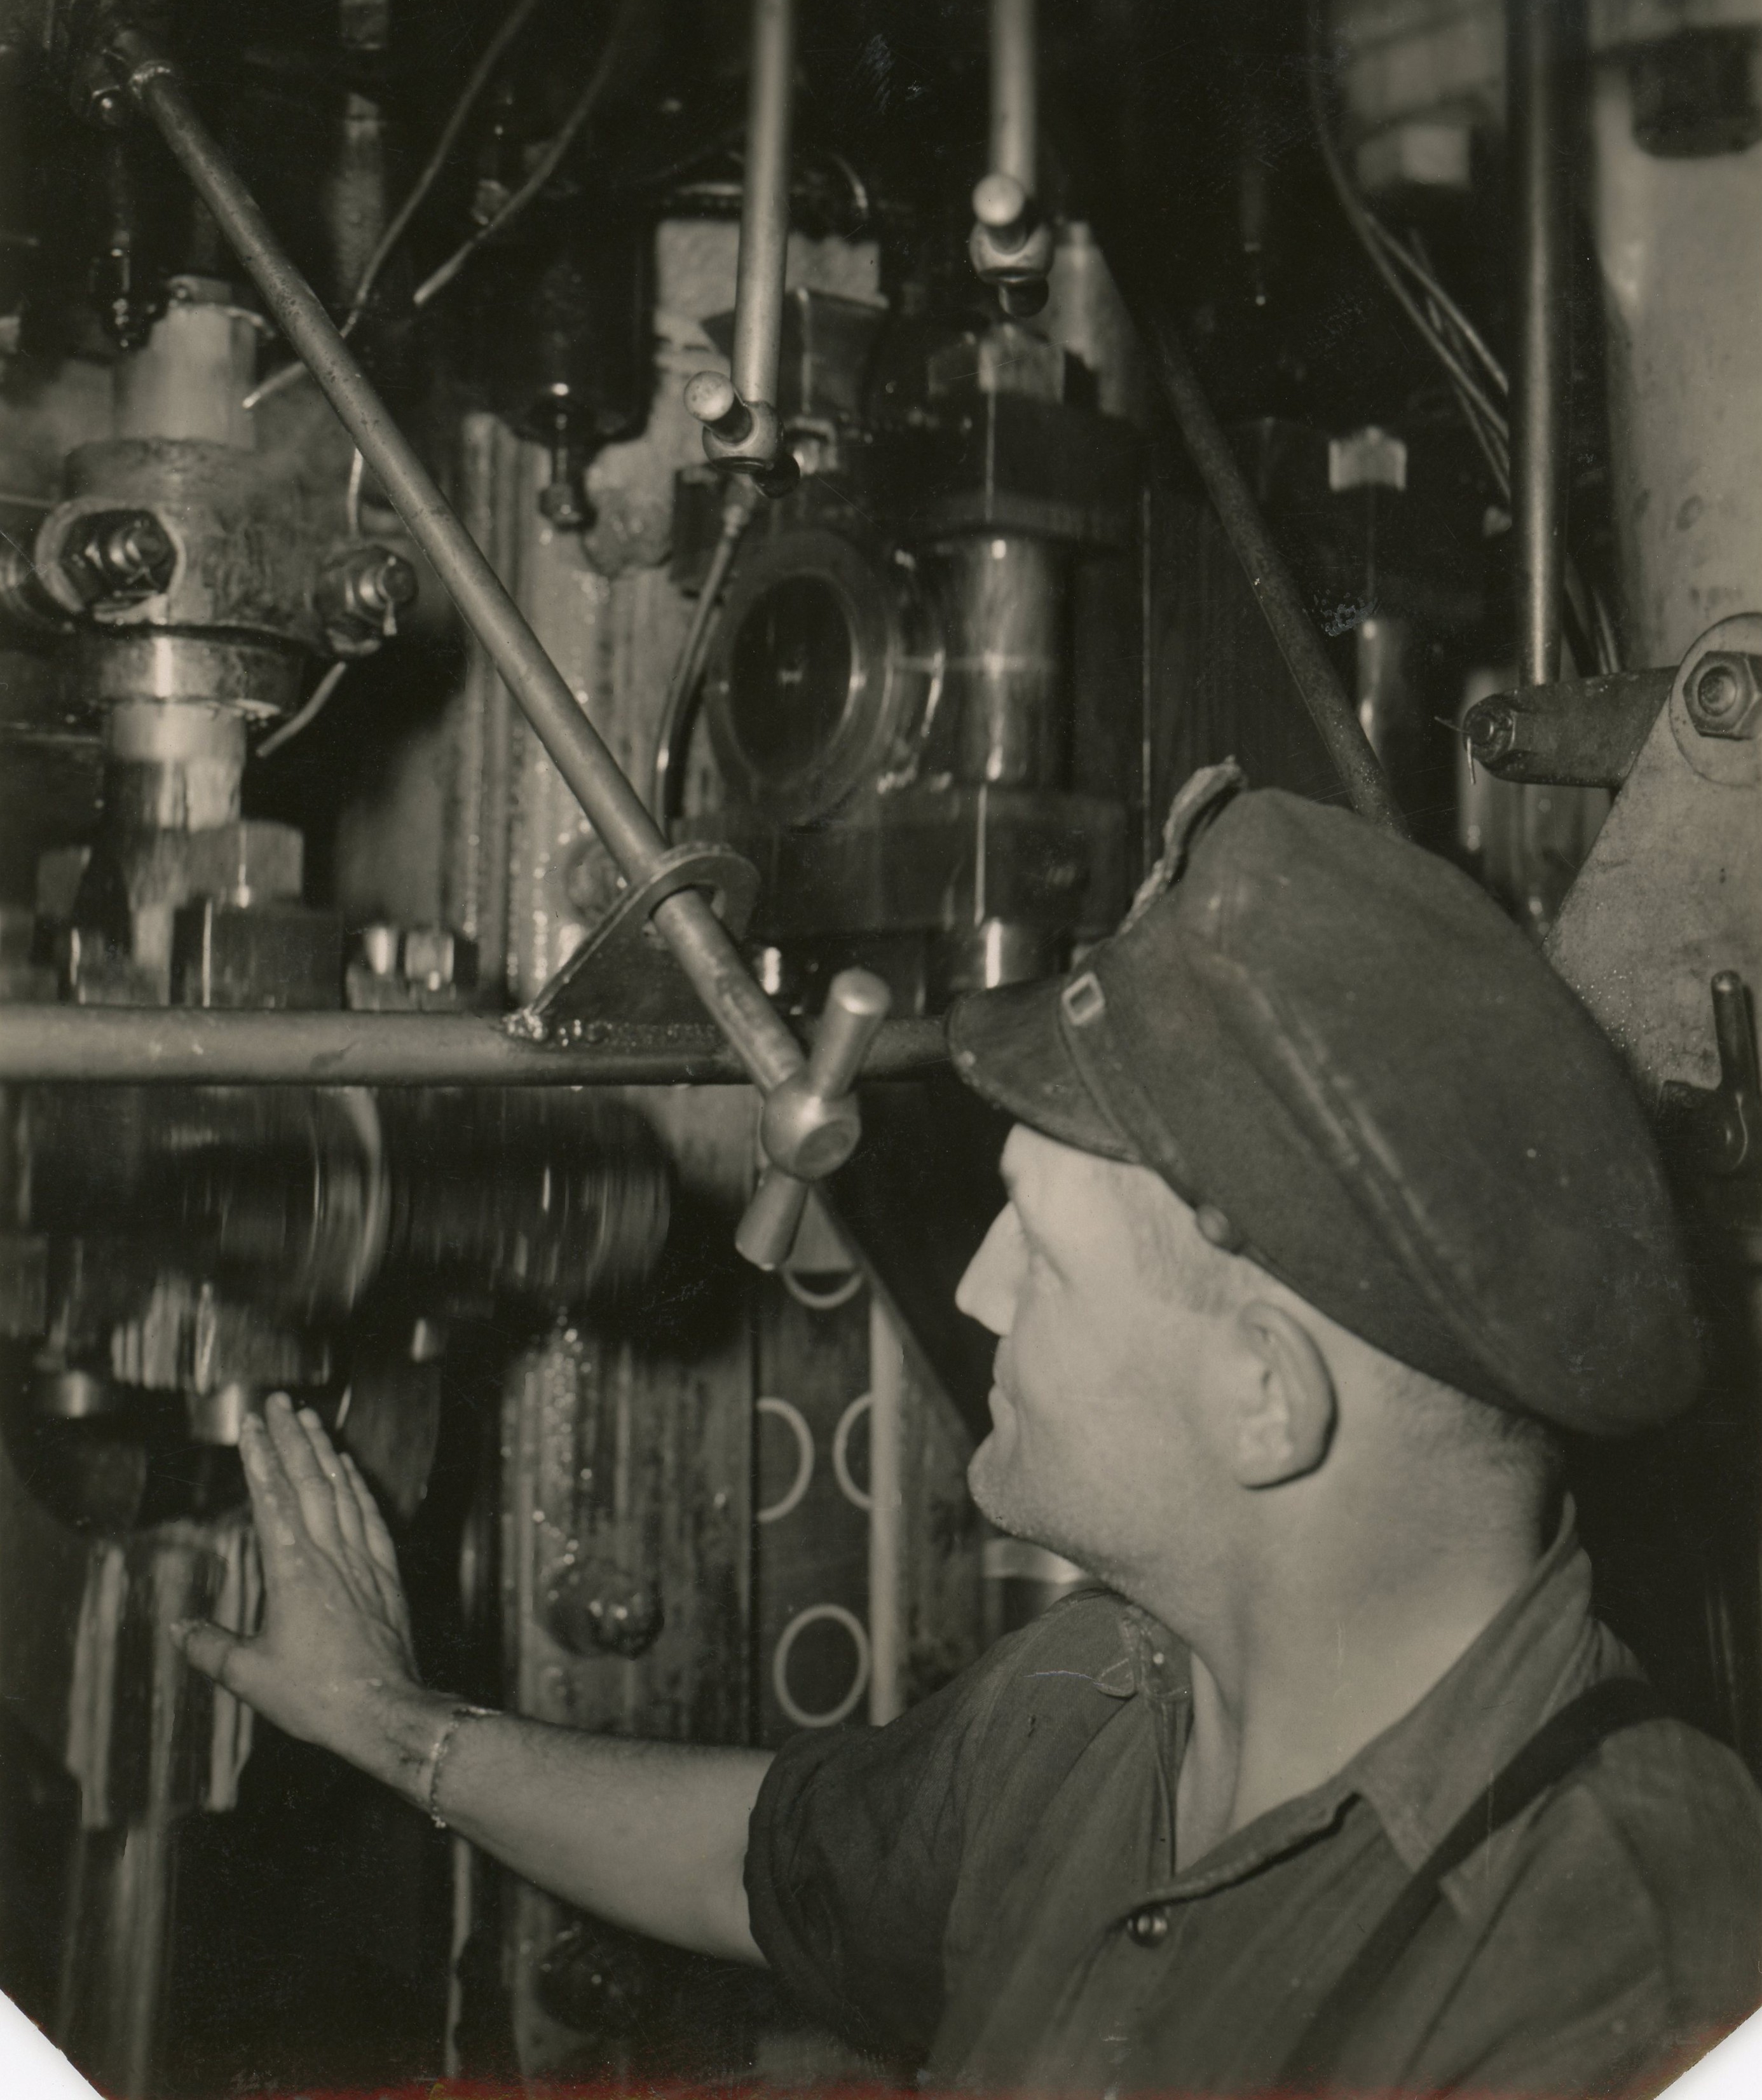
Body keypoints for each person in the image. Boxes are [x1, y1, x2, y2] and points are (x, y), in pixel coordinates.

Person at [176, 770, 1762, 2096]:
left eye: (1042, 1258)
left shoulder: (1628, 1973)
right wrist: (387, 1722)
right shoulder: (1099, 1698)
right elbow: (767, 1860)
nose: (978, 1290)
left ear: (1268, 1398)